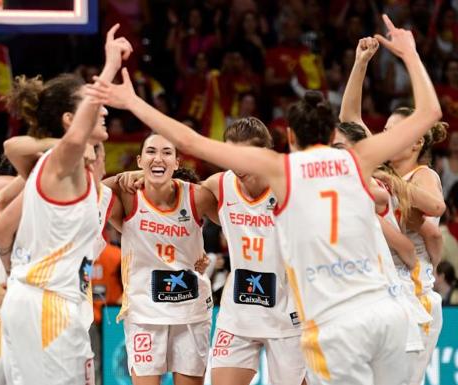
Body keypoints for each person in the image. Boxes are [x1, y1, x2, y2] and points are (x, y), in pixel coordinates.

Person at [87, 15, 442, 385]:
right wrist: (411, 55)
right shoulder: (358, 162)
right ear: (333, 135)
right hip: (385, 308)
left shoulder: (283, 171)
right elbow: (429, 114)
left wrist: (131, 101)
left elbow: (190, 142)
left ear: (288, 138)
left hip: (332, 317)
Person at [0, 24, 129, 385]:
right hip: (46, 303)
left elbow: (1, 232)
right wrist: (110, 65)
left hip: (46, 300)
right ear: (71, 120)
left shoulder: (66, 172)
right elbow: (61, 140)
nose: (102, 108)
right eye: (90, 102)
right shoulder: (59, 162)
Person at [339, 35, 447, 385]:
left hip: (412, 287)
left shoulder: (423, 174)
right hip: (378, 284)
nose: (383, 138)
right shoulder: (382, 165)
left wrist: (390, 181)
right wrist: (360, 64)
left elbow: (435, 207)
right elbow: (350, 119)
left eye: (392, 132)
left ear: (415, 140)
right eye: (383, 131)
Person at [103, 133, 217, 385]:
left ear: (177, 162)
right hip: (145, 313)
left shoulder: (197, 196)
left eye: (167, 152)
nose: (159, 157)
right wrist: (128, 176)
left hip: (191, 310)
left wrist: (205, 257)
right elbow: (95, 190)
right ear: (140, 159)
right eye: (151, 152)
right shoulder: (128, 197)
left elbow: (232, 219)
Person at [201, 117, 307, 385]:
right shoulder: (218, 184)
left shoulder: (290, 185)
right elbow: (177, 195)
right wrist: (136, 175)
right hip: (238, 312)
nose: (236, 164)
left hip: (288, 313)